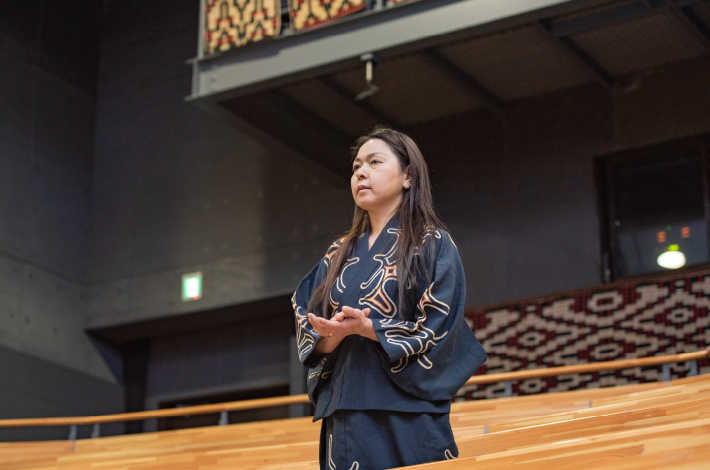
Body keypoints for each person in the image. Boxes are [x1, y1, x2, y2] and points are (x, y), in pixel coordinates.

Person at [291, 126, 487, 470]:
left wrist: (371, 328)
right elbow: (306, 314)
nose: (361, 172)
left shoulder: (432, 243)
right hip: (345, 412)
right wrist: (329, 337)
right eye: (355, 167)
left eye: (374, 162)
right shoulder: (336, 254)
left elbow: (439, 326)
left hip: (407, 410)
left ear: (408, 175)